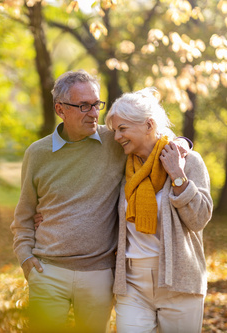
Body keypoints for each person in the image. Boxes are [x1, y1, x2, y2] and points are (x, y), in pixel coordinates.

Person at [11, 70, 127, 333]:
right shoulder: (38, 153)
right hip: (48, 271)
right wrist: (25, 258)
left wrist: (181, 144)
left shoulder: (115, 142)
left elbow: (150, 138)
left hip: (98, 274)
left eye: (97, 104)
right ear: (60, 109)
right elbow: (25, 214)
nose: (93, 113)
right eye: (83, 105)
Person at [104, 87, 213, 332]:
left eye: (123, 129)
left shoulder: (188, 161)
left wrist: (177, 175)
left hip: (179, 282)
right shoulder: (123, 166)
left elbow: (199, 219)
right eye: (115, 131)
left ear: (149, 124)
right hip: (132, 283)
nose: (117, 137)